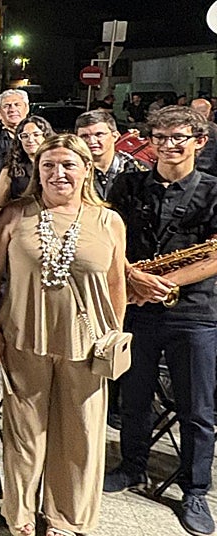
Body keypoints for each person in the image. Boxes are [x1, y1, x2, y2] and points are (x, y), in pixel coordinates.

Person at [0, 134, 127, 536]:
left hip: (88, 346)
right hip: (24, 338)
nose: (58, 173)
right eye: (48, 165)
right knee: (25, 435)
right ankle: (22, 516)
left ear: (86, 171)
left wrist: (114, 337)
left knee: (80, 437)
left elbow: (117, 282)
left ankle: (66, 519)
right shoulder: (14, 216)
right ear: (36, 171)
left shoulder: (109, 221)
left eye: (68, 165)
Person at [105, 106, 217, 536]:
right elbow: (109, 236)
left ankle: (194, 490)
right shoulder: (128, 184)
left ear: (199, 142)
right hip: (136, 304)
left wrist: (164, 283)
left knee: (197, 410)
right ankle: (132, 466)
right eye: (160, 137)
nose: (169, 145)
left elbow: (213, 255)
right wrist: (133, 276)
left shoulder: (212, 191)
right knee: (133, 397)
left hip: (193, 314)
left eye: (179, 138)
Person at [76, 109, 146, 201]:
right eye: (84, 136)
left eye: (99, 134)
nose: (92, 141)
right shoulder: (72, 170)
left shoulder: (137, 170)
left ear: (115, 136)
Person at [0, 115, 55, 210]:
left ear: (46, 136)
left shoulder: (57, 167)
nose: (30, 140)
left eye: (36, 135)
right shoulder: (10, 169)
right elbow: (0, 206)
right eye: (25, 136)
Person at [0, 89, 31, 175]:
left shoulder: (39, 138)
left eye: (17, 104)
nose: (12, 109)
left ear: (26, 109)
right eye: (6, 106)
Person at [191, 98, 217, 176]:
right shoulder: (215, 129)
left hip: (189, 175)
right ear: (208, 112)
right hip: (212, 174)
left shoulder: (185, 129)